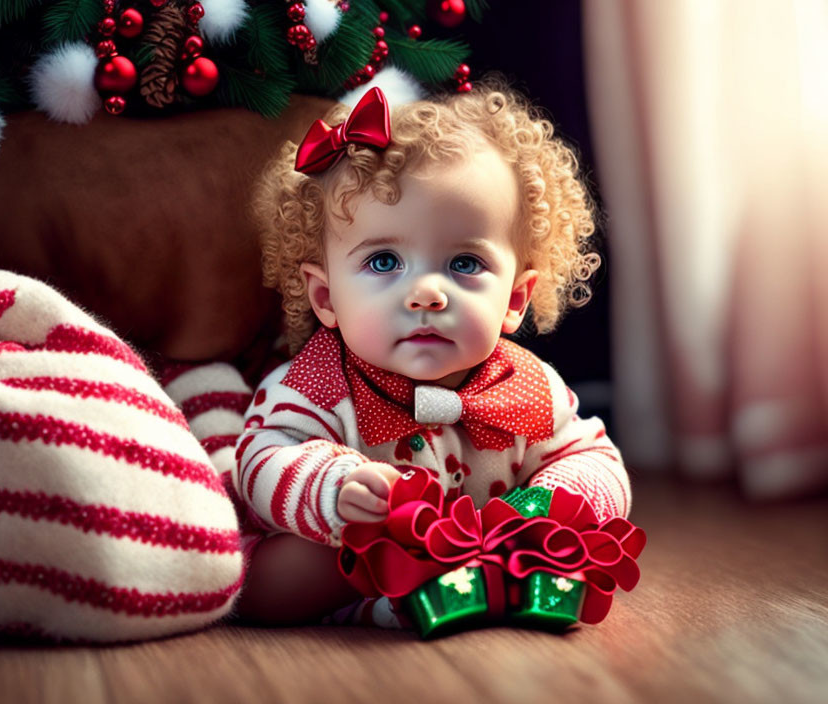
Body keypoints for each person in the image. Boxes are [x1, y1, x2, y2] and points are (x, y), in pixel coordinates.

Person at [231, 80, 631, 626]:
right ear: (326, 298)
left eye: (464, 265)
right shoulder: (316, 383)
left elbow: (597, 457)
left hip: (491, 543)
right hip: (354, 548)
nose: (426, 293)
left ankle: (469, 588)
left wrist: (549, 504)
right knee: (285, 577)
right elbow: (258, 459)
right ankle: (386, 598)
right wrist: (335, 488)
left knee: (575, 545)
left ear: (514, 300)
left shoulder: (528, 385)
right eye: (383, 262)